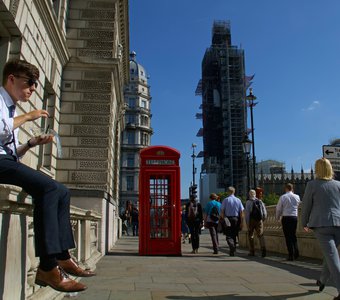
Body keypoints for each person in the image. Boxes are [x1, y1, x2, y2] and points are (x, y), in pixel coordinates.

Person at [0, 59, 95, 293]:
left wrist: (31, 143)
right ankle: (48, 265)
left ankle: (62, 255)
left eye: (34, 84)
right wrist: (28, 117)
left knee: (61, 189)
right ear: (11, 79)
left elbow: (11, 152)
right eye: (29, 83)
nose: (33, 89)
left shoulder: (10, 107)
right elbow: (2, 129)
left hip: (5, 161)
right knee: (49, 188)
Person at [301, 158, 340, 300]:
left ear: (317, 169)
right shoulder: (338, 184)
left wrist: (304, 222)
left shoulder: (312, 185)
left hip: (322, 225)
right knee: (331, 255)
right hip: (339, 224)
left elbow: (306, 206)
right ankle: (323, 280)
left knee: (332, 257)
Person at [276, 183, 300, 261]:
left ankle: (291, 255)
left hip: (286, 218)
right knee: (293, 235)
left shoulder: (283, 197)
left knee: (287, 237)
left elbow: (279, 208)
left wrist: (277, 217)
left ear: (286, 188)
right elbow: (298, 205)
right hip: (294, 217)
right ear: (292, 188)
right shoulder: (297, 197)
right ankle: (296, 252)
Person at [220, 186, 244, 256]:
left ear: (228, 192)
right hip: (236, 218)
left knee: (228, 234)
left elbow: (222, 211)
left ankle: (231, 246)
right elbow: (241, 212)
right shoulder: (238, 200)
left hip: (228, 218)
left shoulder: (225, 200)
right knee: (234, 233)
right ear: (234, 192)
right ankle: (233, 249)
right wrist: (242, 222)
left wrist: (223, 218)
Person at [245, 189, 267, 257]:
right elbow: (264, 212)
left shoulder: (248, 202)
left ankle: (252, 251)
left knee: (251, 235)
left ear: (249, 194)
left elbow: (247, 214)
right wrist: (262, 219)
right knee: (260, 235)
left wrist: (247, 223)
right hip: (259, 220)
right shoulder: (260, 201)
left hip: (251, 220)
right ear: (255, 194)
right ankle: (263, 250)